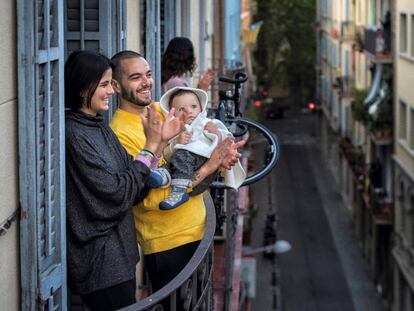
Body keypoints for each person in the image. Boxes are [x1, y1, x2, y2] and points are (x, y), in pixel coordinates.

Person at [109, 51, 244, 301]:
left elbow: (198, 146)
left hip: (198, 231)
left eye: (148, 75)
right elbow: (149, 198)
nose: (146, 82)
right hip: (167, 244)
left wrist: (222, 158)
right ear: (116, 85)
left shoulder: (161, 111)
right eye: (135, 77)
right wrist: (210, 167)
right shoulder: (120, 132)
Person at [64, 50, 182, 311]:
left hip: (121, 256)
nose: (111, 91)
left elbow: (135, 184)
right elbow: (117, 194)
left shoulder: (98, 126)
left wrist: (158, 144)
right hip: (100, 264)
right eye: (104, 85)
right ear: (84, 88)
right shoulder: (74, 134)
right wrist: (152, 146)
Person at [148, 86, 246, 210]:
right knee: (175, 159)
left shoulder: (209, 124)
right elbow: (165, 155)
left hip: (201, 178)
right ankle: (162, 177)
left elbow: (226, 140)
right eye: (182, 109)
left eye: (194, 107)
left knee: (183, 154)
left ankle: (178, 190)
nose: (189, 111)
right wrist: (175, 143)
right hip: (183, 172)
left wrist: (217, 134)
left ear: (201, 108)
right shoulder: (175, 131)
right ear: (172, 114)